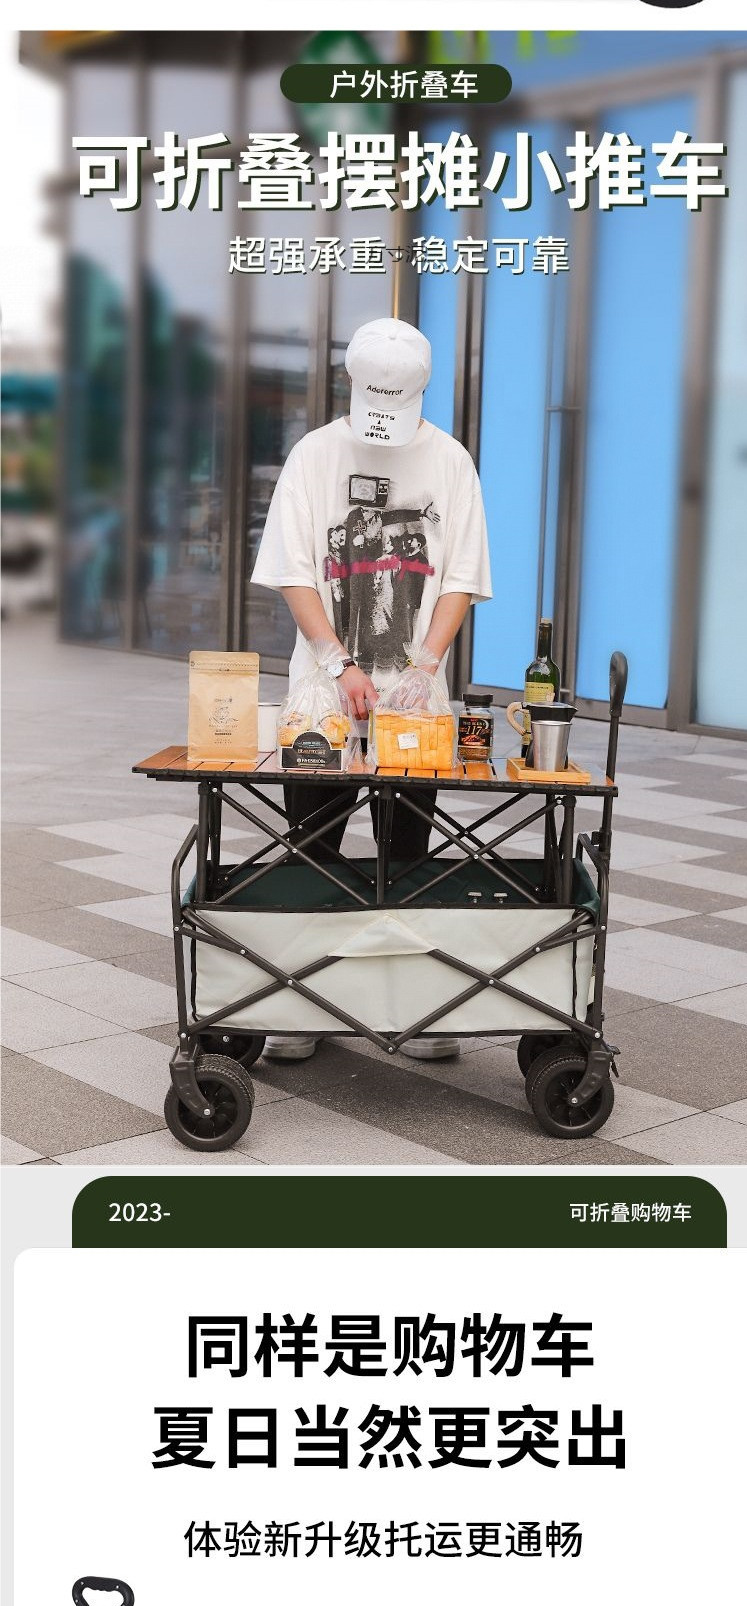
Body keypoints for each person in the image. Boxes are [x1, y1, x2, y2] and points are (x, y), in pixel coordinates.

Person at [251, 314, 492, 1064]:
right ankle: (303, 1003)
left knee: (409, 850)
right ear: (350, 385)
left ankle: (410, 1005)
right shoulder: (314, 455)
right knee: (312, 844)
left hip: (415, 704)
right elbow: (294, 571)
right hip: (322, 699)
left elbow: (461, 579)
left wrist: (424, 667)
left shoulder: (450, 461)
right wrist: (337, 663)